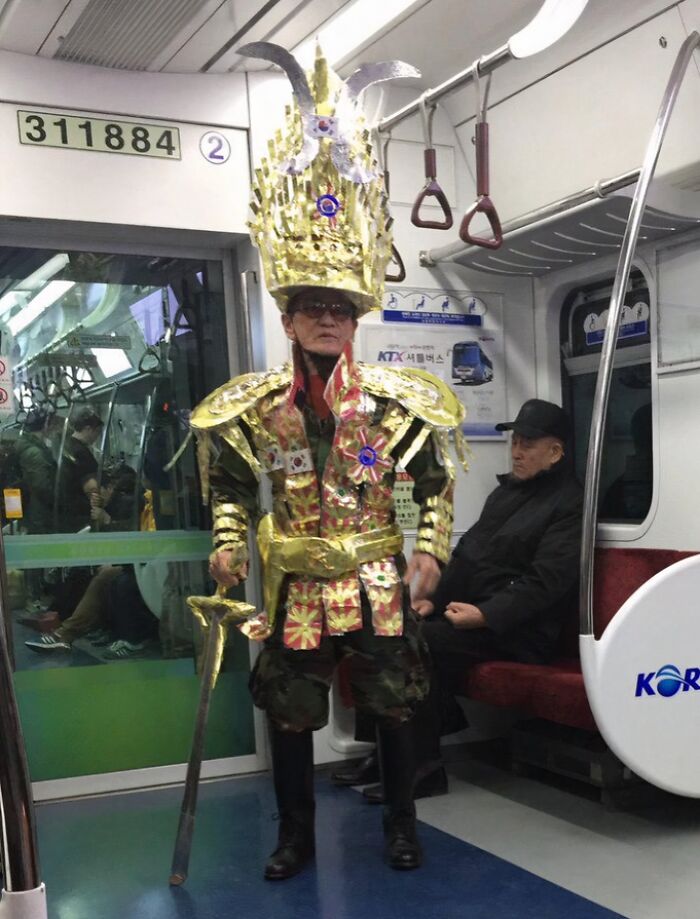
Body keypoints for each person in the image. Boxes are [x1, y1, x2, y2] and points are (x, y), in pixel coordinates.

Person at [190, 43, 466, 880]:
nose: (323, 321)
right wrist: (230, 538)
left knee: (394, 705)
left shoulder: (393, 404)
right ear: (289, 316)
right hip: (298, 578)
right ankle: (295, 836)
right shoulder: (256, 406)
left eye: (336, 310)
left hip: (378, 578)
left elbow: (434, 483)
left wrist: (430, 550)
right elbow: (234, 487)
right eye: (309, 308)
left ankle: (402, 823)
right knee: (289, 712)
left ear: (354, 320)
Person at [351, 399, 583, 803]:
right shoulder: (506, 494)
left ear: (556, 452)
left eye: (528, 444)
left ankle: (423, 769)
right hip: (472, 616)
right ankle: (385, 753)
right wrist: (434, 602)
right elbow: (469, 556)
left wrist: (486, 615)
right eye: (515, 441)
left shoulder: (569, 504)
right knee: (384, 632)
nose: (516, 451)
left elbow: (546, 583)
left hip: (519, 631)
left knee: (417, 644)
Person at [56, 407, 103, 532]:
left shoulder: (65, 446)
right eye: (97, 432)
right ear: (87, 429)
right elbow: (92, 486)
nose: (97, 437)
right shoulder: (81, 452)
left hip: (68, 508)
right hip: (81, 510)